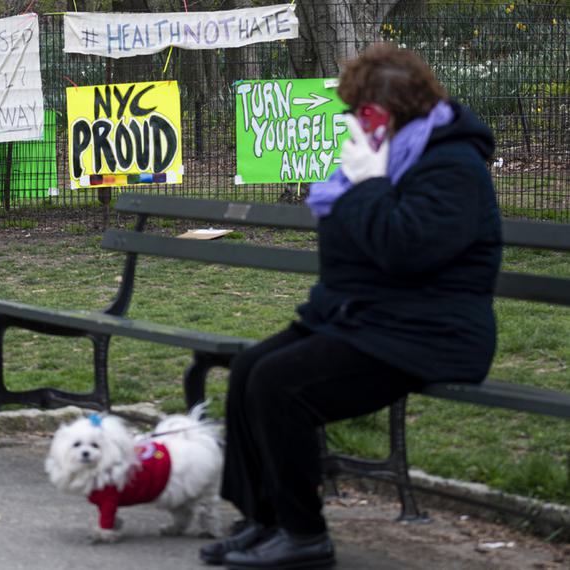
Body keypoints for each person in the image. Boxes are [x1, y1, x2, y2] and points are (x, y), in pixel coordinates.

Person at [200, 43, 502, 569]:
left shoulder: (451, 165)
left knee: (280, 384)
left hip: (432, 333)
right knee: (249, 368)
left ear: (391, 110)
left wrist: (369, 186)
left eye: (362, 111)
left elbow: (404, 250)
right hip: (371, 317)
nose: (354, 123)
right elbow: (350, 249)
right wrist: (364, 190)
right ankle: (265, 519)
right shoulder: (389, 154)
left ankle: (305, 536)